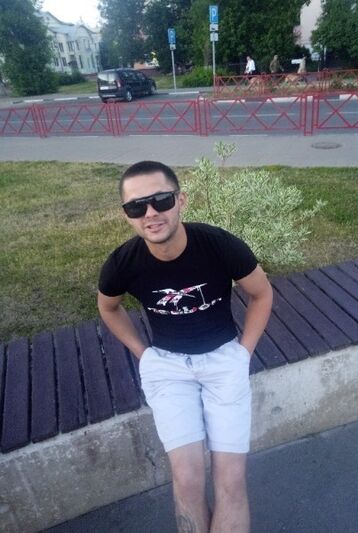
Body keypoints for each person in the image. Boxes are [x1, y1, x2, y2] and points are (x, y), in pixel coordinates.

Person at [98, 160, 273, 533]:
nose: (150, 213)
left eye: (161, 200)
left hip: (224, 361)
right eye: (136, 206)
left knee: (230, 479)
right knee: (187, 478)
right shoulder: (123, 263)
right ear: (126, 215)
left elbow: (261, 294)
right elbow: (108, 308)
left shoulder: (218, 245)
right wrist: (144, 354)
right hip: (167, 367)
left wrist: (243, 353)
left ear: (181, 200)